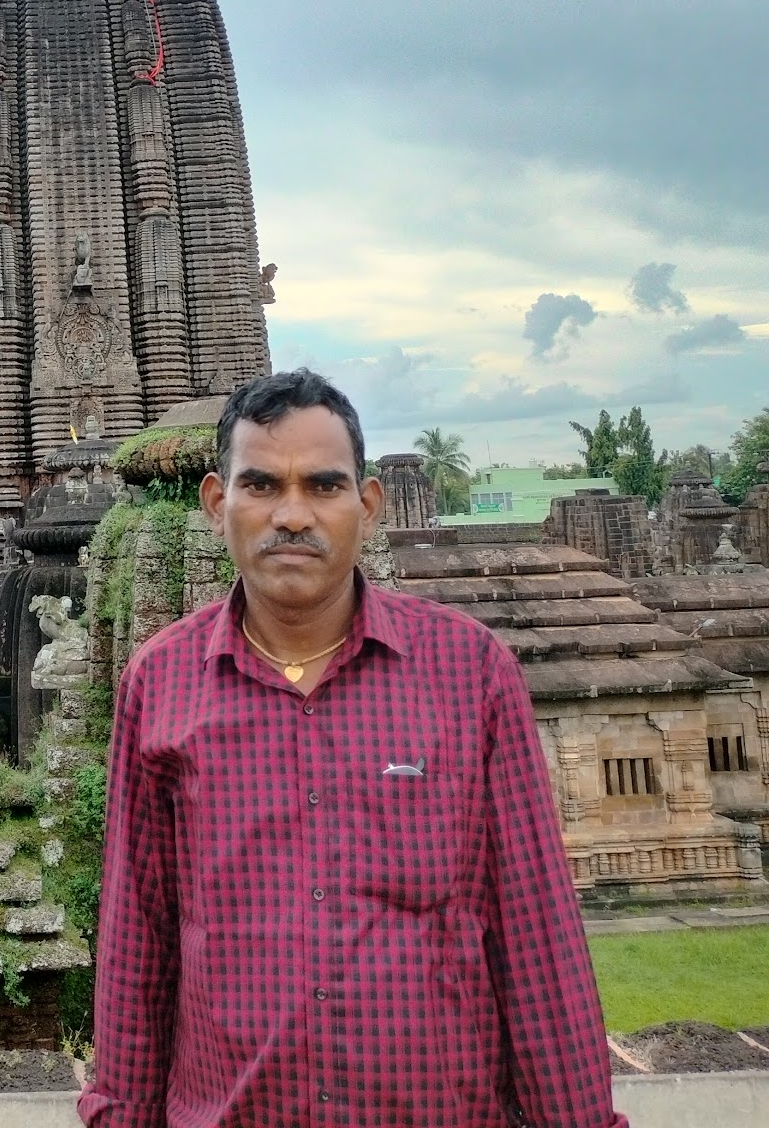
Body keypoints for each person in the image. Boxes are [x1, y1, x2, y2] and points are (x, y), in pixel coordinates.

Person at [80, 369, 625, 1128]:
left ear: (368, 507)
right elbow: (138, 941)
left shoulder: (469, 673)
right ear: (217, 503)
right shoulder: (161, 683)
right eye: (263, 485)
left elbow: (535, 939)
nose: (293, 515)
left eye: (325, 486)